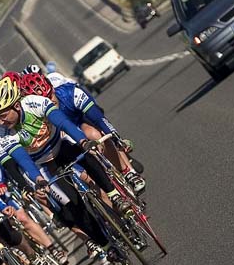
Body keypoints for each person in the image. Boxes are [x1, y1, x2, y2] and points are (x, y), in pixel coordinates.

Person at [0, 74, 130, 265]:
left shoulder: (34, 103)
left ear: (16, 106)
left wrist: (83, 140)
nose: (0, 122)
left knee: (86, 154)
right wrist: (37, 179)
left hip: (61, 144)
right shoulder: (2, 134)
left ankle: (113, 194)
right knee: (74, 205)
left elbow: (63, 123)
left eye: (3, 115)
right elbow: (22, 159)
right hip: (43, 164)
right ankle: (107, 245)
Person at [21, 65, 145, 193]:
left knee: (95, 134)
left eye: (51, 96)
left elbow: (98, 118)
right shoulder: (34, 117)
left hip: (78, 121)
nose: (50, 103)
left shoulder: (68, 92)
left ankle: (127, 172)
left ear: (52, 88)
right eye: (45, 101)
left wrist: (117, 137)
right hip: (60, 137)